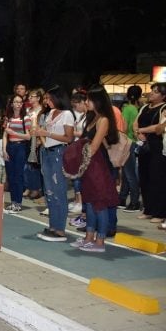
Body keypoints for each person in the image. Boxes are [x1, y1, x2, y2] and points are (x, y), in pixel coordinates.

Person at [69, 86, 120, 253]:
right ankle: (89, 237)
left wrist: (78, 157)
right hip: (88, 166)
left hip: (98, 166)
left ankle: (100, 241)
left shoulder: (103, 119)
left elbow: (94, 146)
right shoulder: (91, 117)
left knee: (100, 204)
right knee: (89, 203)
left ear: (98, 101)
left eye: (89, 100)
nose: (86, 102)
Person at [32, 86, 74, 242]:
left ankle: (60, 229)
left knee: (59, 190)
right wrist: (39, 134)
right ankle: (52, 225)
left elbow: (69, 138)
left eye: (49, 98)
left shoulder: (67, 114)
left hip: (58, 152)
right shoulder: (50, 113)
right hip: (46, 151)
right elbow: (44, 131)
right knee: (49, 191)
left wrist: (46, 133)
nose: (46, 101)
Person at [133, 83, 166, 224]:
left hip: (157, 148)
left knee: (157, 179)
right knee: (144, 177)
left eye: (156, 92)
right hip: (143, 147)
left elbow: (159, 128)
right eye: (152, 90)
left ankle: (160, 212)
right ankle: (148, 209)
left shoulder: (164, 108)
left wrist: (142, 130)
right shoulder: (145, 107)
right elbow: (135, 123)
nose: (152, 93)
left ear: (163, 96)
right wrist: (137, 132)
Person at [2, 94, 31, 214]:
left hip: (20, 147)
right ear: (12, 103)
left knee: (18, 175)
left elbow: (28, 136)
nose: (18, 104)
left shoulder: (26, 118)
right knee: (11, 176)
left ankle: (18, 203)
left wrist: (13, 132)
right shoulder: (8, 117)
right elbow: (5, 135)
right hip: (10, 147)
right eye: (16, 101)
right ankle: (13, 202)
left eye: (20, 102)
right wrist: (4, 150)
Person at [119, 85, 142, 212]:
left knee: (129, 174)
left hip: (127, 142)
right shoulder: (137, 109)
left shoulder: (127, 109)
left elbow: (124, 128)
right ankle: (123, 199)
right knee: (129, 173)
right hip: (134, 142)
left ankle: (134, 201)